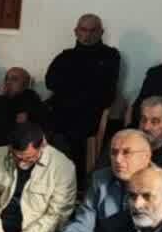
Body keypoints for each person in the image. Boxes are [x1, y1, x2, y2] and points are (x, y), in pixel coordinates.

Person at [45, 14, 122, 161]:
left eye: (93, 30)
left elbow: (104, 89)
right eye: (84, 30)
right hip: (61, 111)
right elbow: (50, 82)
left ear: (101, 32)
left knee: (66, 133)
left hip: (89, 112)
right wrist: (83, 82)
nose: (88, 35)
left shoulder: (110, 56)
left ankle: (68, 171)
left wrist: (71, 82)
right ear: (76, 31)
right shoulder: (65, 56)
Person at [0, 65, 48, 154]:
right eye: (6, 79)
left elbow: (7, 121)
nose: (8, 82)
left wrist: (2, 99)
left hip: (11, 147)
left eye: (14, 79)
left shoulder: (30, 100)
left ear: (25, 85)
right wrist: (1, 97)